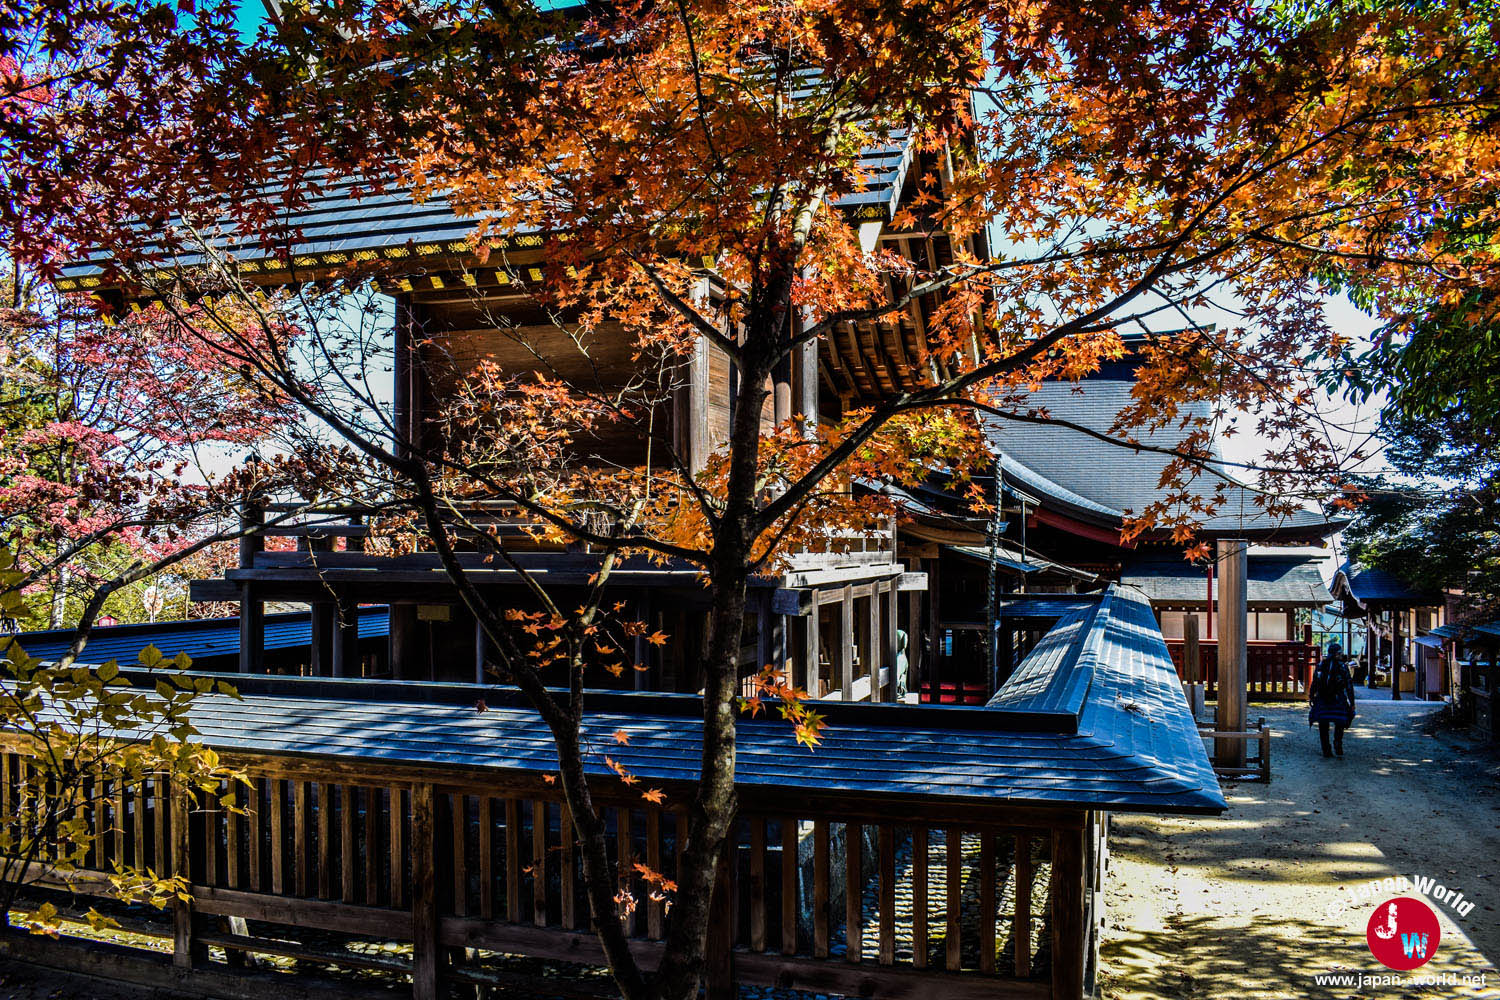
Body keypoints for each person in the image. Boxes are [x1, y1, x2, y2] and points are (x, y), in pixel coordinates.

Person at [1309, 642, 1357, 758]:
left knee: (1323, 724)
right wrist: (1352, 702)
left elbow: (1314, 682)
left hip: (1322, 699)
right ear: (1337, 654)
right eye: (1340, 653)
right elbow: (1348, 685)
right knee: (1340, 722)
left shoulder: (1321, 665)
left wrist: (1311, 696)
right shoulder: (1342, 667)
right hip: (1337, 699)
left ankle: (1326, 748)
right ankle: (1338, 742)